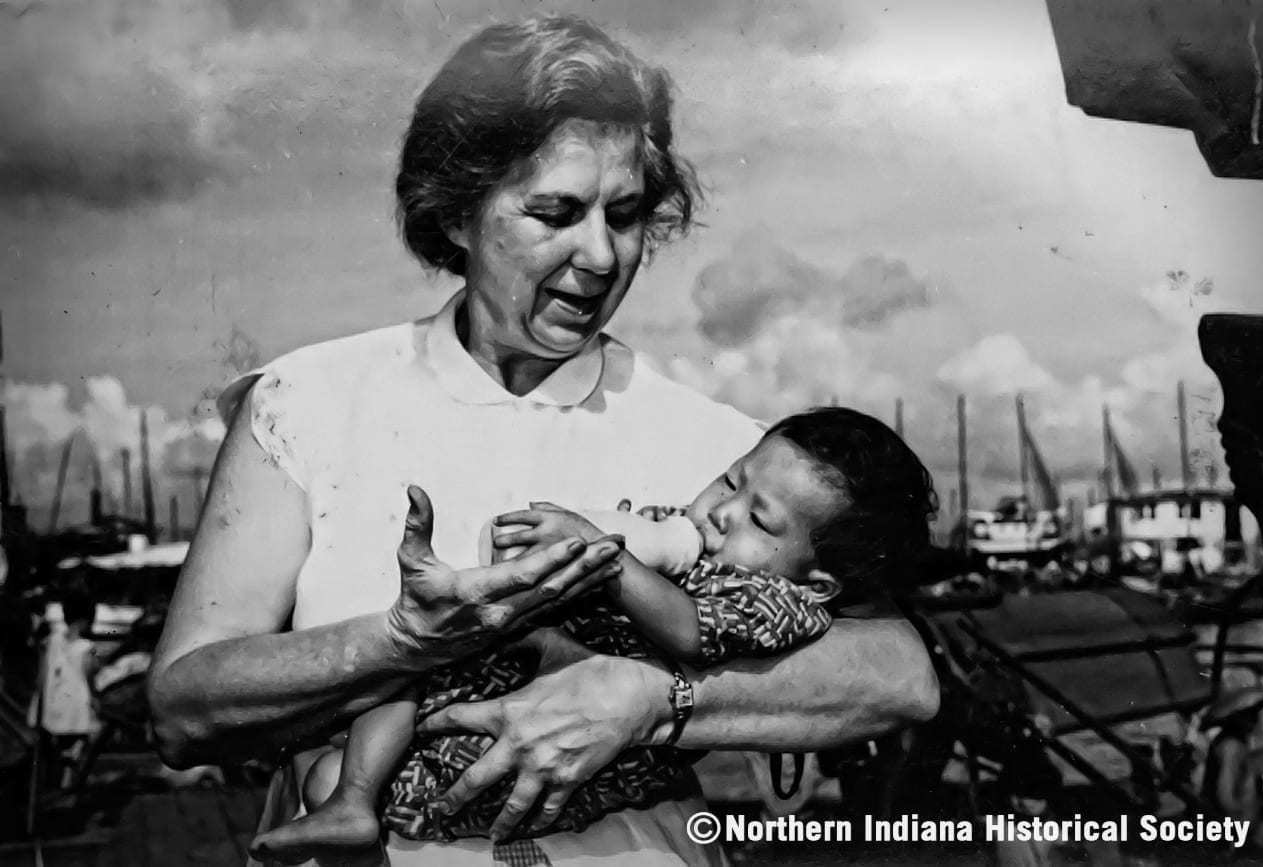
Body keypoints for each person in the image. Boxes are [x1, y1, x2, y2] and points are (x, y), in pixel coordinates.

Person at [146, 15, 939, 867]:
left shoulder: (732, 463)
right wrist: (404, 642)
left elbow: (901, 675)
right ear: (456, 212)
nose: (599, 254)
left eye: (626, 214)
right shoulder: (305, 402)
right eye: (555, 212)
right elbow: (183, 709)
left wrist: (648, 699)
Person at [249, 407, 937, 862]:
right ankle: (350, 804)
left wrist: (609, 557)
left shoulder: (774, 600)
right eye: (730, 479)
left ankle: (357, 804)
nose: (722, 510)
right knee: (388, 689)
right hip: (495, 688)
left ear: (817, 580)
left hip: (554, 756)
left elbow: (691, 631)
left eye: (760, 519)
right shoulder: (696, 541)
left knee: (390, 765)